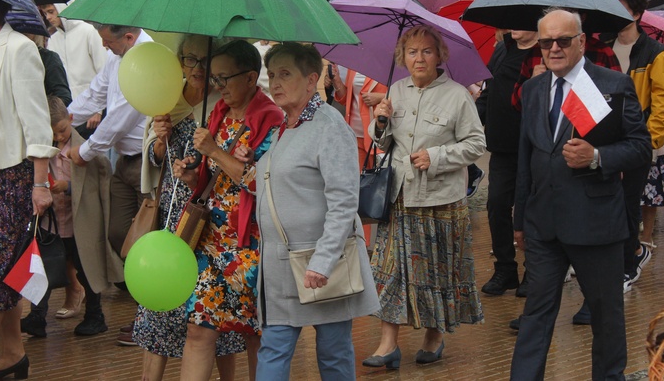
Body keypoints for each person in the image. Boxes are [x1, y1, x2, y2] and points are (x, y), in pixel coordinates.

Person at [510, 8, 651, 381]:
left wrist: (598, 157)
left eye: (562, 40)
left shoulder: (611, 85)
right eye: (546, 41)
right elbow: (527, 158)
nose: (553, 48)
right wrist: (520, 218)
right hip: (543, 225)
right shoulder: (532, 88)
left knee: (605, 314)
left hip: (595, 223)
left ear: (581, 42)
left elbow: (640, 148)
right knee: (536, 312)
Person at [251, 42, 379, 379]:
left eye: (285, 74)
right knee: (274, 347)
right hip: (279, 266)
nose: (275, 82)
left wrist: (323, 261)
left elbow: (343, 200)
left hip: (322, 264)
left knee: (333, 352)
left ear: (311, 80)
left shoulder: (329, 125)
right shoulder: (283, 126)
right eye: (272, 74)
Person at [364, 25, 486, 368]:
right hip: (400, 198)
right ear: (402, 57)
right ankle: (388, 344)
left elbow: (476, 143)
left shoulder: (457, 95)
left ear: (439, 56)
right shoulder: (395, 91)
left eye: (427, 51)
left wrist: (437, 157)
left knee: (436, 270)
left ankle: (434, 334)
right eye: (412, 52)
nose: (419, 58)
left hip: (440, 202)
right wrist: (381, 123)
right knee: (390, 269)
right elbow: (384, 144)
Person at [173, 40, 283, 381]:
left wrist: (214, 150)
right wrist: (193, 175)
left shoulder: (271, 120)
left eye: (224, 78)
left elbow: (260, 182)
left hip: (249, 242)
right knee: (199, 329)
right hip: (211, 239)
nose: (217, 86)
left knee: (255, 333)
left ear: (251, 77)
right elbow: (213, 179)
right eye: (214, 78)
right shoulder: (218, 112)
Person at [133, 35, 242, 381]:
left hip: (209, 217)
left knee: (213, 311)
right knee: (161, 302)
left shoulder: (223, 102)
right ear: (179, 61)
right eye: (190, 59)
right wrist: (161, 140)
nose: (196, 68)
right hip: (171, 214)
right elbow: (152, 157)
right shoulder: (168, 97)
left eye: (204, 60)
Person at [0, 0, 57, 379]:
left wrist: (40, 184)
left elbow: (36, 123)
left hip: (10, 177)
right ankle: (13, 352)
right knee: (5, 270)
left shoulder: (18, 50)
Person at [67, 24, 151, 346]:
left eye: (108, 42)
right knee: (118, 232)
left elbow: (120, 116)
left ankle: (148, 316)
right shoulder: (118, 56)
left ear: (128, 37)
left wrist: (85, 152)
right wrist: (63, 123)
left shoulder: (147, 58)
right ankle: (145, 300)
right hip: (125, 161)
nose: (104, 47)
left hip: (149, 165)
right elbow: (95, 93)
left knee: (146, 239)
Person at [20, 96, 121, 339]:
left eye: (63, 130)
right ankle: (37, 316)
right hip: (52, 223)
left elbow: (99, 183)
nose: (58, 137)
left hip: (80, 225)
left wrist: (67, 187)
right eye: (53, 133)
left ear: (72, 119)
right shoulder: (43, 151)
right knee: (41, 268)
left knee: (86, 269)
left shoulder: (87, 150)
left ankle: (95, 314)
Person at [607, 0, 664, 287]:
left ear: (636, 15)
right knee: (608, 201)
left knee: (627, 203)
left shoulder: (656, 53)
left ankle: (629, 262)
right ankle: (628, 252)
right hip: (606, 140)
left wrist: (649, 143)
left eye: (621, 9)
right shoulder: (602, 49)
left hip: (637, 142)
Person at [476, 30, 537, 296]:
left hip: (534, 147)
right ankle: (505, 268)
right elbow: (489, 92)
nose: (511, 25)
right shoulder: (503, 49)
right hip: (501, 145)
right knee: (497, 204)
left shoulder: (543, 54)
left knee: (533, 210)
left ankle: (533, 271)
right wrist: (472, 120)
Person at [40, 3, 107, 138]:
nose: (48, 17)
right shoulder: (53, 39)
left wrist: (98, 110)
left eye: (51, 11)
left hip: (94, 108)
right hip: (70, 113)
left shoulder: (88, 31)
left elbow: (103, 70)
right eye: (45, 13)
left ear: (63, 8)